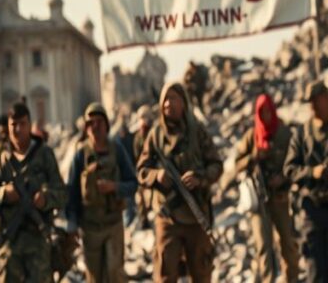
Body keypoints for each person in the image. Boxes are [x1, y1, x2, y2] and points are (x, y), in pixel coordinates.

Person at [137, 82, 222, 283]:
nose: (168, 104)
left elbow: (217, 165)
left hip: (196, 216)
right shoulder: (156, 135)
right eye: (165, 99)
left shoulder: (198, 132)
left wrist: (199, 178)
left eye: (173, 98)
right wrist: (156, 175)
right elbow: (141, 171)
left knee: (201, 274)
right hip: (168, 220)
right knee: (165, 275)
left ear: (183, 102)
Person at [0, 103, 67, 282]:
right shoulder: (2, 159)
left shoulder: (44, 155)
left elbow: (62, 193)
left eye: (22, 124)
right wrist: (4, 193)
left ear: (30, 125)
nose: (18, 129)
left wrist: (46, 199)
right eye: (14, 125)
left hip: (38, 241)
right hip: (9, 243)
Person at [66, 103, 137, 283]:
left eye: (99, 122)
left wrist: (115, 187)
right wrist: (72, 223)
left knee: (115, 274)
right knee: (94, 277)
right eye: (90, 124)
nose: (95, 127)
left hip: (113, 223)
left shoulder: (117, 150)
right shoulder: (80, 155)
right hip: (89, 228)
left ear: (106, 125)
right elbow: (72, 193)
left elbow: (133, 183)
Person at [233, 93, 298, 282]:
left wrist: (283, 178)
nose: (266, 115)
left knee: (288, 244)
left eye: (268, 111)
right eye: (262, 112)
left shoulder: (284, 134)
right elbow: (237, 165)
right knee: (264, 248)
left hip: (280, 198)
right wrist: (255, 156)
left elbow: (295, 163)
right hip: (259, 201)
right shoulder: (252, 136)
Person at [284, 80, 328, 282]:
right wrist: (313, 173)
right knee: (316, 270)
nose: (312, 106)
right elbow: (290, 170)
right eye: (309, 102)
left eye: (316, 100)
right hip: (313, 209)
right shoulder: (301, 134)